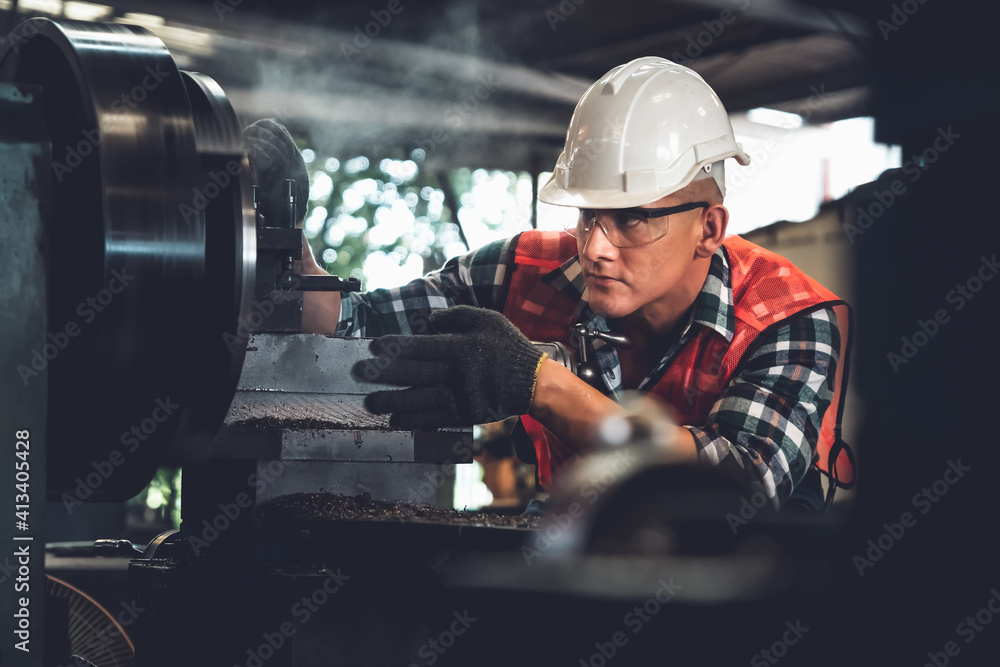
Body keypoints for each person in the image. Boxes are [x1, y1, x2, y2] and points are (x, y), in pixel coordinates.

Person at [247, 56, 852, 514]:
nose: (595, 247)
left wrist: (538, 385)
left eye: (633, 218)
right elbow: (353, 330)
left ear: (709, 227)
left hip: (740, 594)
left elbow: (741, 486)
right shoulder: (523, 271)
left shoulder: (788, 316)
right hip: (572, 554)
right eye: (589, 214)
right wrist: (284, 236)